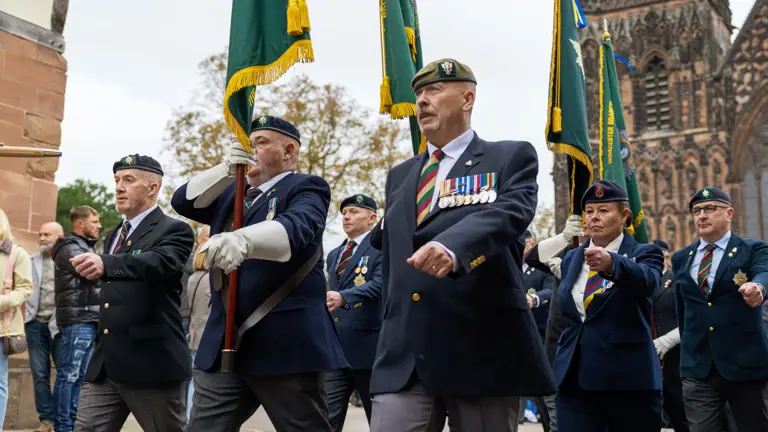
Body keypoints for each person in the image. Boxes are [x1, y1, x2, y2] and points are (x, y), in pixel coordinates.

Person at [369, 58, 556, 432]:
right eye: (419, 92)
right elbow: (390, 250)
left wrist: (452, 247)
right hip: (405, 355)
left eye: (434, 90)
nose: (422, 100)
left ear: (467, 99)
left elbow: (509, 213)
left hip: (480, 349)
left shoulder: (509, 156)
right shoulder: (402, 175)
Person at [172, 115, 347, 432]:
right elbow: (183, 201)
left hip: (284, 343)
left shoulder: (306, 186)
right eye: (246, 145)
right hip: (225, 341)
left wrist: (243, 239)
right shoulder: (232, 194)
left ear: (289, 151)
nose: (251, 150)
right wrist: (225, 169)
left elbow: (297, 228)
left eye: (260, 143)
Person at [72, 155, 194, 432]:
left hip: (151, 362)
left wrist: (108, 263)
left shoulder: (175, 229)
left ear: (153, 187)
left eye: (129, 180)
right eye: (116, 180)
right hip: (106, 363)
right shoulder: (114, 235)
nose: (118, 187)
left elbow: (161, 262)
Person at [552, 180, 664, 432]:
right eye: (589, 211)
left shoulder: (645, 253)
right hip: (575, 380)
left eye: (603, 211)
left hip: (628, 382)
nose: (594, 218)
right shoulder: (572, 258)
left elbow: (648, 281)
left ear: (624, 215)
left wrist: (613, 264)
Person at [673, 187, 768, 431]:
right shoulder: (682, 257)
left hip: (745, 364)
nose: (702, 215)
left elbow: (764, 272)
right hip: (698, 367)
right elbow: (682, 308)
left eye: (710, 209)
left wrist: (758, 287)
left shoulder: (752, 249)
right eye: (696, 211)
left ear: (729, 213)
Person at [325, 194, 383, 431]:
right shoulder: (334, 254)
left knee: (379, 421)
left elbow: (382, 284)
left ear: (371, 218)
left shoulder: (381, 248)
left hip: (370, 350)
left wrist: (345, 297)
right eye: (344, 212)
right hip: (336, 351)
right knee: (326, 419)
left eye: (354, 211)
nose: (346, 216)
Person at [51, 206, 102, 432]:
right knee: (69, 376)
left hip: (89, 319)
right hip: (77, 320)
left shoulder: (84, 247)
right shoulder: (69, 247)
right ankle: (63, 427)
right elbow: (90, 270)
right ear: (80, 224)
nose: (99, 225)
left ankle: (73, 425)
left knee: (81, 377)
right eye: (95, 221)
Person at [25, 222, 63, 432]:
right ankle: (46, 420)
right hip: (35, 324)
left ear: (60, 236)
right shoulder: (30, 260)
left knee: (63, 374)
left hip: (59, 326)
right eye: (40, 234)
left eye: (47, 234)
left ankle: (61, 418)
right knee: (40, 374)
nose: (41, 238)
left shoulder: (66, 260)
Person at [650, 239, 689, 432]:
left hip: (675, 360)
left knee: (682, 415)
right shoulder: (641, 283)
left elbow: (691, 318)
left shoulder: (677, 282)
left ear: (666, 258)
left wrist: (667, 340)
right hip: (647, 362)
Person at [0, 208, 34, 426]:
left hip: (3, 328)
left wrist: (2, 301)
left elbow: (25, 290)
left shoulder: (17, 254)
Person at [520, 230, 554, 430]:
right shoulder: (512, 268)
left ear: (530, 244)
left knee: (543, 390)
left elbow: (550, 290)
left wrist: (534, 299)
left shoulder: (542, 267)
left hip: (538, 333)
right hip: (514, 335)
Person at [185, 225, 210, 420]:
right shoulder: (209, 280)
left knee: (193, 379)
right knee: (197, 383)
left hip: (194, 332)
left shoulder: (194, 277)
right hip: (202, 334)